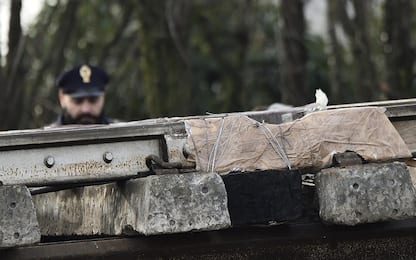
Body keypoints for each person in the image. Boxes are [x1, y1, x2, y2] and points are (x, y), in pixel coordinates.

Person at [48, 64, 114, 126]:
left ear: (103, 97)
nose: (86, 109)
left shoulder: (122, 133)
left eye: (93, 100)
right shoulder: (45, 137)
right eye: (77, 100)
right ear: (62, 98)